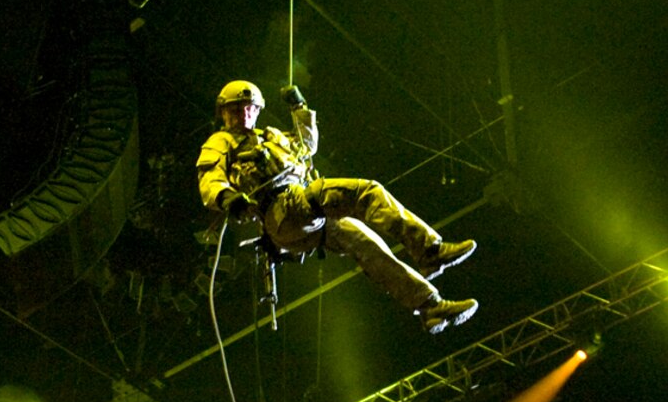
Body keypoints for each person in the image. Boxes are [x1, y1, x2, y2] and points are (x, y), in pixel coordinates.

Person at [197, 80, 477, 333]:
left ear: (257, 110)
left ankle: (430, 307)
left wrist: (300, 108)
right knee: (366, 191)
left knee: (366, 243)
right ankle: (429, 250)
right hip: (282, 212)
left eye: (249, 108)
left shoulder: (272, 137)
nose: (243, 115)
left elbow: (307, 146)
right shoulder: (220, 142)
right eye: (236, 110)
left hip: (304, 212)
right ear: (224, 112)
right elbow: (210, 179)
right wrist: (226, 197)